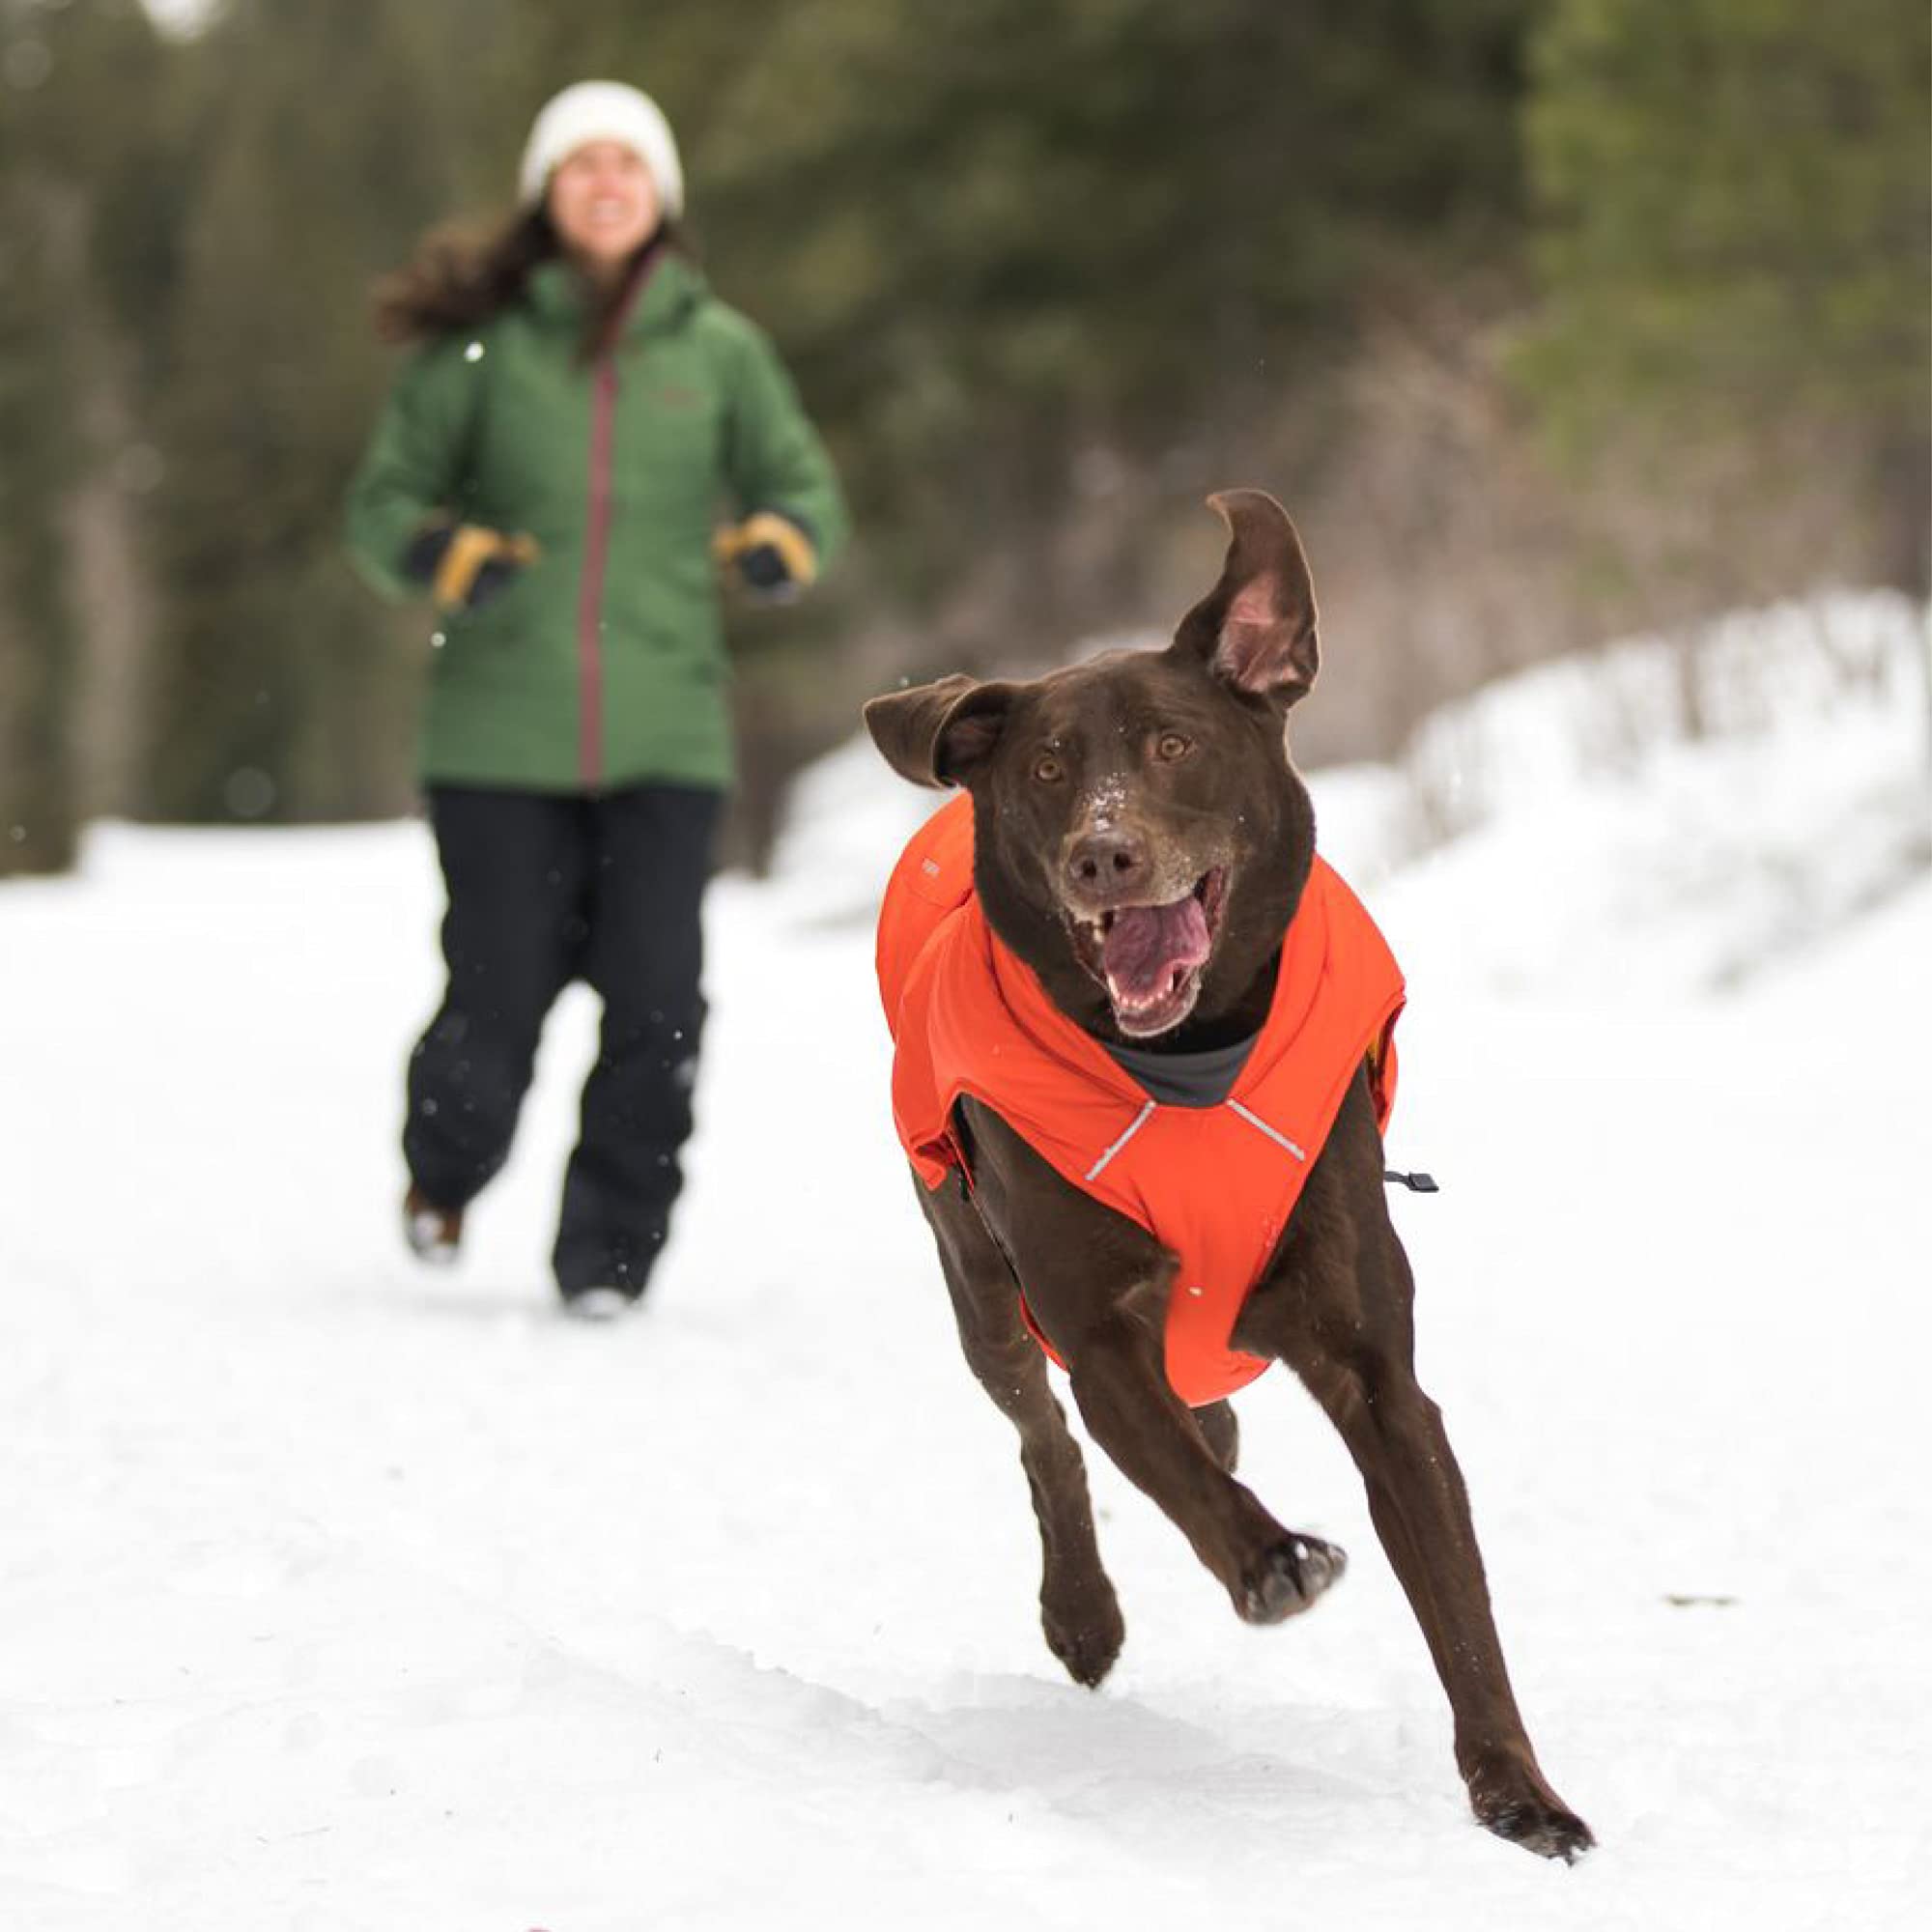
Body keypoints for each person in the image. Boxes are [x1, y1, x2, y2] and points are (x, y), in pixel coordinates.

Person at [345, 79, 847, 1319]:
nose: (607, 183)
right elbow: (381, 506)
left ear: (660, 194)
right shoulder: (485, 345)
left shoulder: (719, 349)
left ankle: (609, 1257)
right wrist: (444, 553)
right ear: (548, 193)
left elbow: (806, 490)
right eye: (582, 166)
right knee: (497, 994)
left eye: (628, 164)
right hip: (497, 735)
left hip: (665, 731)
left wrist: (783, 537)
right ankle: (445, 1174)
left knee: (659, 1003)